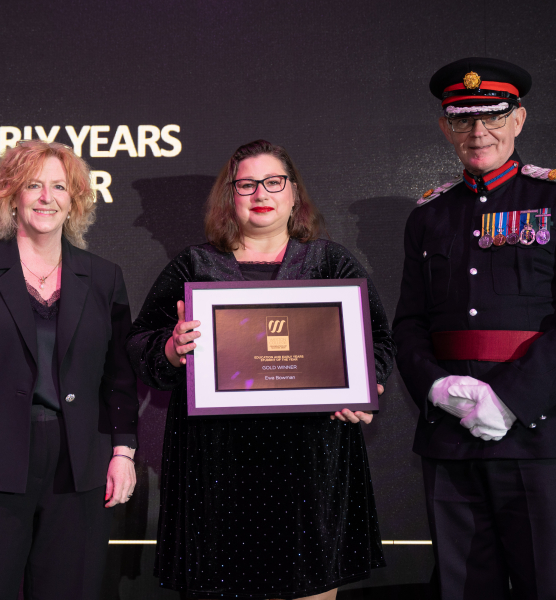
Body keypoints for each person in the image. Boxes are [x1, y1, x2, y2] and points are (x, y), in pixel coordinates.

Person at [127, 140, 395, 600]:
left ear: (294, 194)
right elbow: (139, 343)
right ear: (229, 196)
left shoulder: (330, 263)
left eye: (273, 182)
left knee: (309, 585)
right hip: (215, 464)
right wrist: (171, 349)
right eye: (247, 184)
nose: (260, 193)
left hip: (310, 459)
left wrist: (363, 385)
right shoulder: (195, 266)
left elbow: (379, 343)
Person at [392, 57, 556, 599]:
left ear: (519, 119)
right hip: (449, 432)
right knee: (462, 587)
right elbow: (410, 323)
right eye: (463, 119)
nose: (478, 132)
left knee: (545, 585)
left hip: (533, 430)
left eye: (493, 116)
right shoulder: (429, 214)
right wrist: (437, 387)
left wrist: (511, 399)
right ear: (445, 127)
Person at [0, 139, 138, 599]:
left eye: (59, 187)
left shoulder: (103, 276)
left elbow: (119, 377)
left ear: (74, 199)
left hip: (79, 464)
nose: (46, 197)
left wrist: (123, 453)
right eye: (34, 185)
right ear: (11, 195)